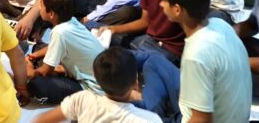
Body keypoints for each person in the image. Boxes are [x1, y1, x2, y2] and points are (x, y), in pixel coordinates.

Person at [159, 0, 251, 122]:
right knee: (154, 62)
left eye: (163, 0)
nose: (160, 4)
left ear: (177, 9)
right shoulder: (222, 25)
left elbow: (201, 120)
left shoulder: (196, 54)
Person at [33, 47, 163, 123]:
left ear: (96, 77)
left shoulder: (82, 99)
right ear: (135, 83)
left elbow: (41, 120)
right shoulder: (150, 120)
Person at [25, 0, 104, 104]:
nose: (39, 8)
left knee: (36, 85)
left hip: (91, 89)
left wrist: (28, 66)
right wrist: (34, 56)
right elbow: (52, 47)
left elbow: (43, 72)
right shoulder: (71, 20)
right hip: (95, 73)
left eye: (41, 4)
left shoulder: (59, 32)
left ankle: (64, 74)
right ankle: (62, 69)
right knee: (38, 48)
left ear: (51, 14)